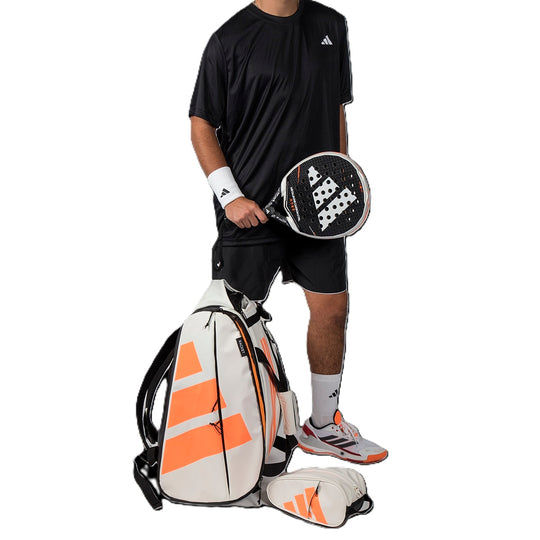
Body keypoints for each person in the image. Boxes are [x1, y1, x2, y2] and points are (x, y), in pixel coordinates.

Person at [189, 0, 387, 464]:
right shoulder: (227, 40)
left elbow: (336, 112)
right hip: (251, 212)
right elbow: (201, 125)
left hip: (317, 211)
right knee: (232, 326)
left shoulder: (331, 26)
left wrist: (341, 178)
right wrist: (230, 197)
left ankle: (323, 425)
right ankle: (227, 441)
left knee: (332, 310)